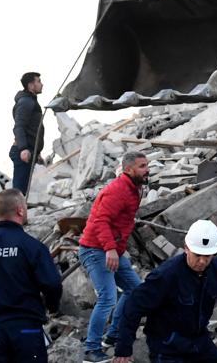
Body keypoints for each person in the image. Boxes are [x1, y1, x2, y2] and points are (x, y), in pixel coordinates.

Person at [112, 220, 217, 363]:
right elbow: (134, 306)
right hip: (167, 347)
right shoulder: (166, 275)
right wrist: (124, 347)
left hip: (199, 340)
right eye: (197, 255)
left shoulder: (214, 268)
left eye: (207, 256)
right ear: (186, 248)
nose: (202, 261)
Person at [0, 188, 62, 362]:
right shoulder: (33, 247)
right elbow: (52, 283)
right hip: (26, 331)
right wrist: (52, 307)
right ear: (20, 210)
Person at [78, 152, 149, 362]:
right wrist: (110, 248)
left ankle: (113, 335)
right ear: (128, 169)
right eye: (142, 166)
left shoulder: (134, 187)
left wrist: (116, 249)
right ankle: (91, 350)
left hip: (111, 250)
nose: (147, 170)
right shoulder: (118, 190)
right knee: (108, 297)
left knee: (136, 290)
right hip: (95, 249)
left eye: (147, 165)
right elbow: (100, 220)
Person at [11, 71, 45, 194]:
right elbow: (19, 126)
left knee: (22, 193)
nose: (42, 84)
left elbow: (32, 129)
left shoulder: (31, 101)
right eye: (38, 81)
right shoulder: (26, 102)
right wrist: (23, 148)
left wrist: (37, 153)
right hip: (23, 153)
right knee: (18, 194)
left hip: (29, 152)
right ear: (30, 85)